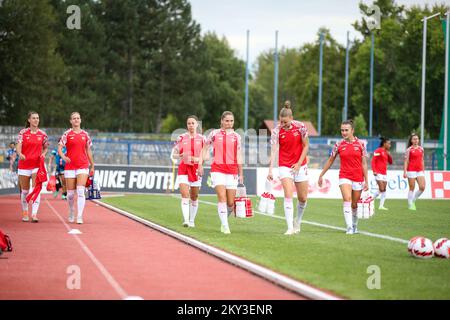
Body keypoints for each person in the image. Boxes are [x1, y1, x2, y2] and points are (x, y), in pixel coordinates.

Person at [318, 120, 369, 235]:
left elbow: (364, 163)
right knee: (347, 199)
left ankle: (355, 225)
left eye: (346, 130)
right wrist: (321, 174)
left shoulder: (361, 144)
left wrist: (367, 180)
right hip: (344, 176)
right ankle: (349, 227)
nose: (344, 132)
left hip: (358, 177)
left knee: (354, 204)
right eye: (342, 130)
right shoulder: (338, 145)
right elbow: (330, 160)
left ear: (352, 130)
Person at [268, 101, 309, 235]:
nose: (283, 124)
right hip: (284, 165)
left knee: (303, 198)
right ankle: (290, 227)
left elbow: (306, 146)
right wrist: (270, 169)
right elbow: (274, 150)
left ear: (291, 118)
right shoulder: (276, 131)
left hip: (300, 165)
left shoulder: (301, 127)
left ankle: (298, 221)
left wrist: (298, 163)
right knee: (288, 194)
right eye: (281, 122)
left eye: (285, 122)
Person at [198, 111, 243, 234]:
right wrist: (199, 165)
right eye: (227, 121)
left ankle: (224, 221)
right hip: (217, 170)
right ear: (222, 121)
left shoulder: (237, 137)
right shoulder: (214, 134)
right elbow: (204, 148)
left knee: (230, 203)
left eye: (231, 121)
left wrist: (241, 174)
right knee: (222, 198)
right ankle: (225, 226)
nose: (229, 123)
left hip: (232, 171)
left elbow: (239, 155)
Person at [58, 112, 94, 224]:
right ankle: (71, 210)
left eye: (78, 118)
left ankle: (79, 215)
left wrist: (92, 165)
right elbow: (59, 148)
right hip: (70, 166)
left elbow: (88, 150)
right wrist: (64, 157)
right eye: (74, 118)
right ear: (71, 121)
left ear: (80, 120)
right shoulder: (67, 134)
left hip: (83, 165)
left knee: (80, 191)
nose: (76, 120)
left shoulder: (85, 135)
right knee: (70, 194)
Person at [172, 115, 205, 227]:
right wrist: (180, 155)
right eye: (188, 123)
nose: (190, 125)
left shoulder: (202, 139)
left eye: (192, 123)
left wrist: (197, 160)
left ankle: (192, 221)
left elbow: (207, 157)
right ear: (186, 125)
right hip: (183, 169)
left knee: (194, 197)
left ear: (197, 124)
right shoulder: (181, 138)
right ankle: (186, 220)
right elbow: (174, 154)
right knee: (185, 194)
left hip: (196, 170)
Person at [16, 111, 48, 222]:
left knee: (35, 189)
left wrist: (44, 154)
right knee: (24, 191)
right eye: (33, 118)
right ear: (29, 120)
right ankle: (25, 212)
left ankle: (34, 214)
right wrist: (20, 154)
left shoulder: (43, 134)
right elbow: (18, 145)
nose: (36, 120)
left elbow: (45, 147)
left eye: (37, 118)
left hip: (36, 165)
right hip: (24, 165)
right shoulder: (23, 133)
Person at [403, 133, 425, 211]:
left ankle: (413, 201)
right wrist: (404, 172)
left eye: (417, 139)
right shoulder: (409, 149)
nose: (416, 140)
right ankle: (410, 205)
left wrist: (423, 170)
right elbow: (406, 161)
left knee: (422, 187)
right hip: (411, 170)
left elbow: (422, 160)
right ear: (411, 141)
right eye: (414, 139)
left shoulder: (421, 149)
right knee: (412, 188)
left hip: (419, 171)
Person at [371, 137, 393, 210]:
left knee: (383, 189)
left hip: (384, 173)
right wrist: (374, 170)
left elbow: (391, 162)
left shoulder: (386, 152)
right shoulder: (378, 151)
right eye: (389, 143)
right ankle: (370, 200)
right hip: (378, 173)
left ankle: (381, 206)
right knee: (381, 188)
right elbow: (373, 161)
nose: (390, 145)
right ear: (384, 143)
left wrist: (389, 154)